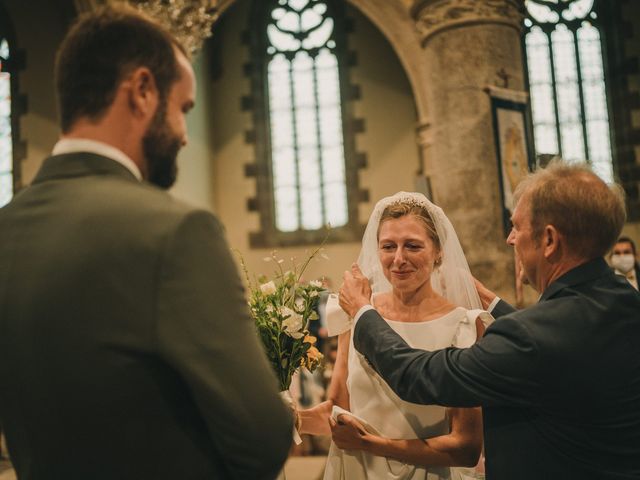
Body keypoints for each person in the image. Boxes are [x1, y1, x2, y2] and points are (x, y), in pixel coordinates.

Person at [0, 6, 292, 480]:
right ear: (141, 91)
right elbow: (263, 438)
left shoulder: (6, 227)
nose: (183, 136)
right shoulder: (176, 232)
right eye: (182, 109)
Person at [341, 162, 640, 479]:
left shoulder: (525, 337)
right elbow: (565, 343)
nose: (511, 239)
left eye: (518, 227)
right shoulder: (624, 299)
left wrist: (362, 312)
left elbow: (419, 377)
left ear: (550, 241)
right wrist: (490, 299)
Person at [299, 192, 492, 480]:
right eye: (388, 246)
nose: (398, 259)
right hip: (355, 471)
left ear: (438, 251)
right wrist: (290, 419)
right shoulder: (356, 313)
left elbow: (465, 447)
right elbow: (339, 415)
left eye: (412, 246)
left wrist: (373, 445)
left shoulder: (463, 326)